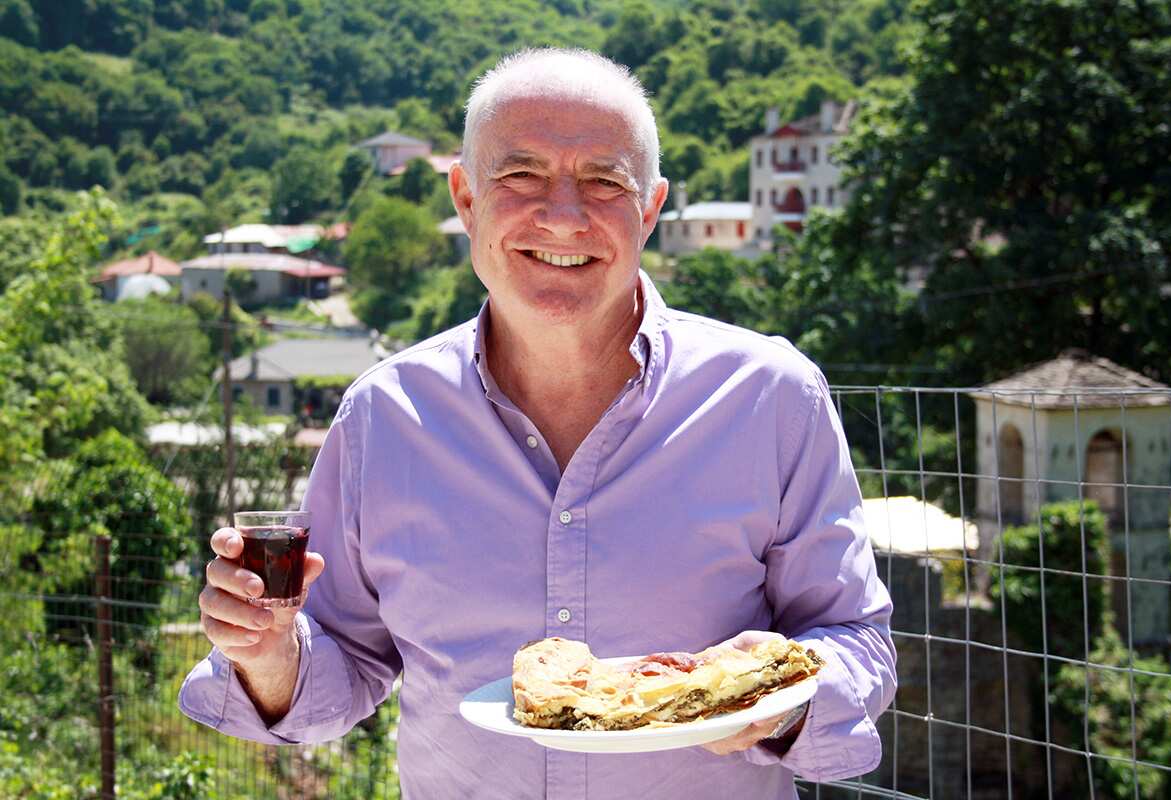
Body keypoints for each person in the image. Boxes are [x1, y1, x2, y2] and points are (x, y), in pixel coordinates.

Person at [180, 48, 896, 800]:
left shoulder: (772, 399)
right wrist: (267, 654)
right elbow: (346, 658)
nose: (563, 215)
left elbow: (856, 643)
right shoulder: (384, 418)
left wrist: (776, 700)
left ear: (650, 208)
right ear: (465, 199)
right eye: (520, 176)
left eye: (604, 181)